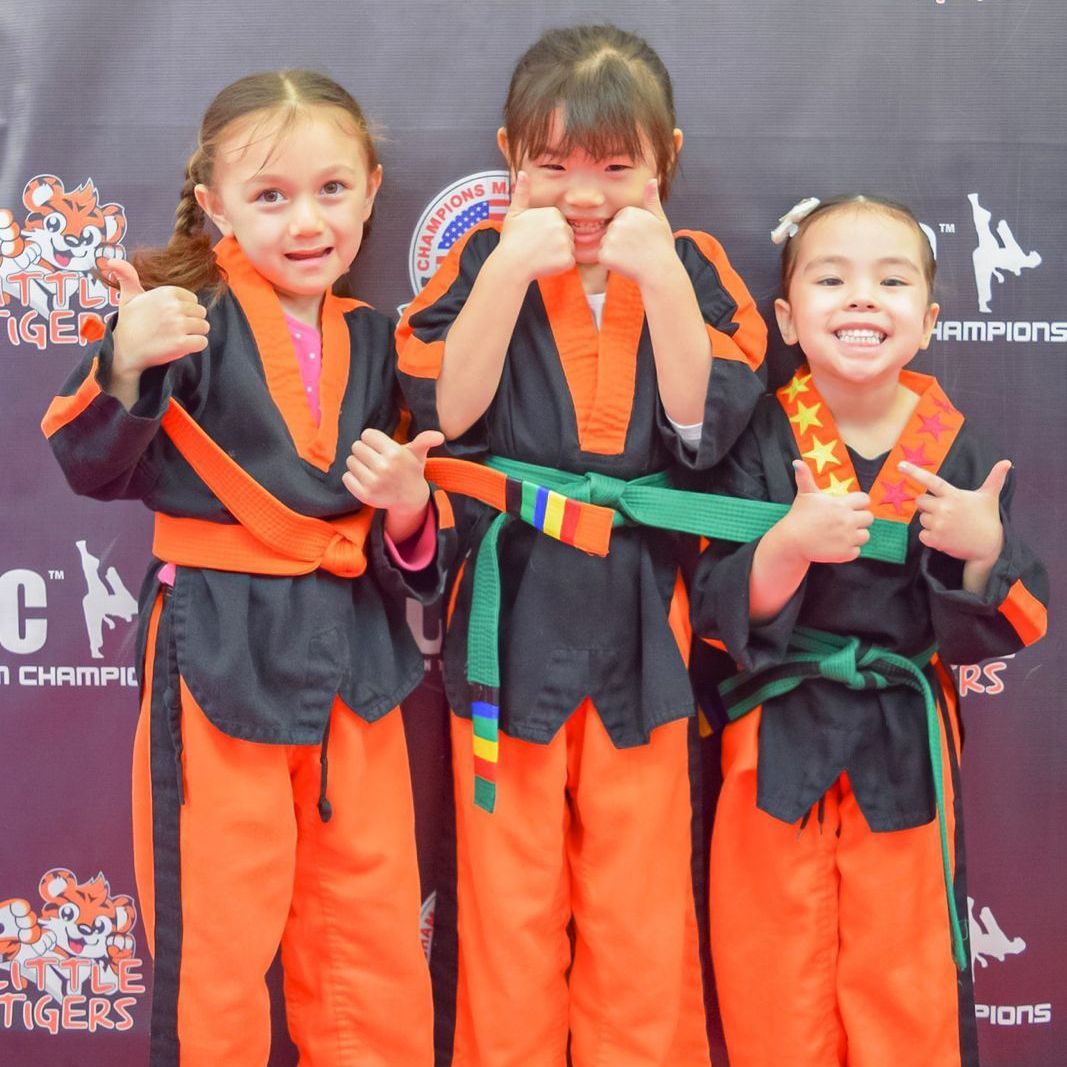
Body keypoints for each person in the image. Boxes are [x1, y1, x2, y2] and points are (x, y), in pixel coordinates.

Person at [41, 70, 453, 1067]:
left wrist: (408, 507)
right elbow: (87, 465)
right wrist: (127, 363)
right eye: (270, 196)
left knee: (368, 929)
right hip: (217, 645)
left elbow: (415, 549)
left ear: (370, 189)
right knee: (215, 941)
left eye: (330, 190)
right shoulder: (184, 316)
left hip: (352, 658)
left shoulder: (377, 339)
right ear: (215, 199)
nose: (305, 221)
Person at [397, 24, 767, 1066]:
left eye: (617, 169)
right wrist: (511, 267)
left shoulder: (696, 269)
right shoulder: (479, 260)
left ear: (667, 162)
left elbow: (705, 426)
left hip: (644, 615)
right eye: (551, 167)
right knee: (506, 903)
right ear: (509, 153)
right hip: (509, 612)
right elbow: (444, 409)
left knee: (640, 908)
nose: (584, 197)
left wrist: (658, 283)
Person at [691, 195, 1049, 1067]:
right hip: (773, 738)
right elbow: (712, 607)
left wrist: (979, 552)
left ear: (926, 321)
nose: (860, 299)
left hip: (902, 743)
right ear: (784, 316)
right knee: (769, 967)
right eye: (831, 279)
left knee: (905, 976)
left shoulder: (956, 447)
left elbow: (1013, 616)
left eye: (890, 281)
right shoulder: (758, 434)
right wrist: (785, 547)